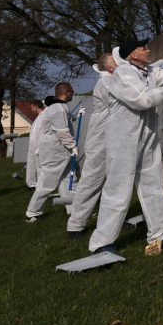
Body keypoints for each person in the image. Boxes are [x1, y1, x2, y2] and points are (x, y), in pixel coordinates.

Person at [87, 41, 163, 256]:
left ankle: (159, 233)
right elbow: (141, 100)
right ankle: (101, 243)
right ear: (133, 54)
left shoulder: (146, 72)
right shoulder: (122, 75)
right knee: (118, 190)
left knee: (154, 186)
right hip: (123, 141)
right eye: (143, 48)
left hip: (147, 138)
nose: (148, 50)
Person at [66, 54, 117, 237]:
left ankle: (114, 220)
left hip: (113, 137)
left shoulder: (112, 80)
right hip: (100, 140)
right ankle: (75, 225)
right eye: (115, 61)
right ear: (108, 67)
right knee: (91, 182)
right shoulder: (107, 83)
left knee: (116, 183)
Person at [25, 83, 79, 222]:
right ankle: (33, 212)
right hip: (54, 152)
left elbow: (65, 121)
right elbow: (62, 131)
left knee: (69, 181)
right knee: (46, 184)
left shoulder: (59, 107)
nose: (73, 94)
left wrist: (76, 115)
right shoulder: (57, 109)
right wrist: (72, 145)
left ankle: (75, 209)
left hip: (62, 152)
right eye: (72, 91)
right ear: (66, 92)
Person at [24, 99, 46, 190]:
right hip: (32, 145)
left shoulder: (45, 116)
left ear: (35, 106)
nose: (31, 109)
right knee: (31, 165)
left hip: (39, 146)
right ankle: (31, 184)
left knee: (40, 166)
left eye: (31, 107)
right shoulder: (38, 117)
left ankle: (41, 185)